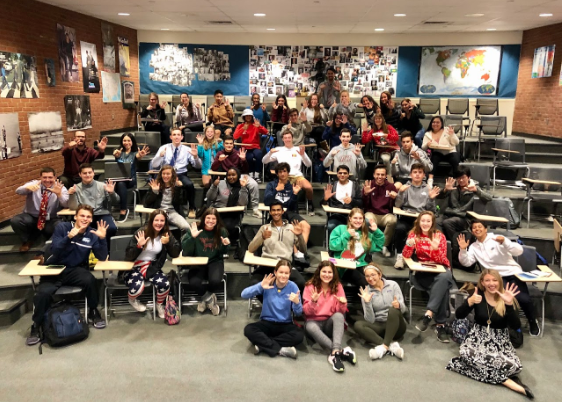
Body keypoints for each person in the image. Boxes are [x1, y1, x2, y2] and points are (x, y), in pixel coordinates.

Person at [26, 205, 107, 346]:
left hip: (74, 270)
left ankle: (93, 311)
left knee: (90, 280)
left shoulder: (92, 233)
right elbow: (56, 249)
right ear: (75, 216)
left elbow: (101, 256)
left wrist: (102, 239)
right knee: (42, 294)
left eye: (88, 217)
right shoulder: (62, 228)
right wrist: (70, 236)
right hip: (54, 269)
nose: (85, 219)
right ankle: (36, 324)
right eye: (82, 215)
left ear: (91, 219)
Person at [446, 270, 534, 399]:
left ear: (499, 282)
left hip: (500, 341)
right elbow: (459, 315)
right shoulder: (477, 296)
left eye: (494, 280)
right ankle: (508, 382)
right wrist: (469, 302)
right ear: (482, 282)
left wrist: (509, 305)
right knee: (466, 353)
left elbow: (516, 326)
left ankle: (480, 370)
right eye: (487, 280)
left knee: (513, 367)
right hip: (477, 338)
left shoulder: (506, 297)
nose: (491, 283)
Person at [458, 220, 540, 336]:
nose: (477, 229)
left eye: (480, 227)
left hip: (512, 273)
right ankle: (499, 324)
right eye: (474, 228)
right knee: (487, 298)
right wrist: (462, 250)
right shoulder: (474, 246)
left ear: (486, 229)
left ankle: (532, 321)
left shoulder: (497, 239)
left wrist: (505, 242)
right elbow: (466, 262)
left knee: (523, 298)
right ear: (472, 231)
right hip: (494, 278)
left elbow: (519, 251)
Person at [402, 211, 454, 342]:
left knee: (444, 276)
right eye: (423, 221)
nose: (425, 223)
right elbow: (406, 256)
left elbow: (443, 261)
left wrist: (435, 249)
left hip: (439, 271)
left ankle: (428, 315)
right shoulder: (414, 235)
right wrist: (409, 245)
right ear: (419, 222)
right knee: (444, 287)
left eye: (428, 221)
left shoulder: (439, 236)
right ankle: (440, 325)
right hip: (422, 273)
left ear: (432, 223)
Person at [241, 259, 304, 359]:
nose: (283, 276)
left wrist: (297, 303)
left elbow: (298, 313)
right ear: (275, 272)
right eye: (281, 272)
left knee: (299, 335)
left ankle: (263, 345)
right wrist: (260, 286)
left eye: (286, 273)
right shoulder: (268, 283)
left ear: (290, 274)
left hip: (285, 324)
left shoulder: (293, 287)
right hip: (267, 322)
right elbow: (243, 294)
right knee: (248, 329)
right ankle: (280, 349)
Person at [124, 209, 181, 318]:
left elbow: (175, 253)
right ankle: (132, 300)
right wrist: (139, 246)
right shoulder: (141, 232)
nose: (159, 223)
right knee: (137, 287)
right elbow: (128, 256)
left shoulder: (166, 234)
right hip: (134, 267)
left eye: (162, 221)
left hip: (152, 267)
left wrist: (168, 243)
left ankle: (159, 304)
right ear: (151, 221)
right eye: (156, 220)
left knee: (165, 284)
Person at [303, 261, 356, 372]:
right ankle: (339, 351)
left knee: (339, 316)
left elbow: (340, 312)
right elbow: (306, 312)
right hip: (314, 322)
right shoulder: (310, 286)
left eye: (330, 272)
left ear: (334, 274)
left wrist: (342, 304)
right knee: (310, 326)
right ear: (319, 272)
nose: (327, 275)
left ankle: (334, 352)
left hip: (328, 324)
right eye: (324, 272)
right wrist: (313, 301)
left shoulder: (338, 286)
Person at [437, 167, 492, 269]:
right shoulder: (453, 187)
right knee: (436, 222)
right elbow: (438, 196)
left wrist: (476, 190)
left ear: (469, 177)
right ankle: (441, 248)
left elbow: (489, 198)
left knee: (448, 223)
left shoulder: (474, 188)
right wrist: (445, 189)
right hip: (448, 215)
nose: (461, 180)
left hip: (464, 219)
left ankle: (454, 248)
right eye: (458, 178)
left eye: (463, 177)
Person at [181, 208, 230, 316]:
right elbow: (186, 251)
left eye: (213, 218)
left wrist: (226, 245)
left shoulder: (221, 231)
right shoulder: (195, 229)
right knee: (194, 282)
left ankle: (204, 300)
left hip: (215, 261)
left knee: (215, 280)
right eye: (208, 218)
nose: (211, 221)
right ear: (204, 219)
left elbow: (224, 252)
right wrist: (192, 238)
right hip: (197, 262)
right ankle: (209, 300)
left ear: (217, 220)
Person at [248, 201, 307, 290]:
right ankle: (268, 303)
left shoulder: (291, 228)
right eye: (273, 210)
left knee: (301, 283)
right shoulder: (264, 228)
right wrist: (262, 237)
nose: (276, 213)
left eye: (278, 210)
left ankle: (287, 303)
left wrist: (299, 236)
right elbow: (251, 249)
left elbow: (303, 251)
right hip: (267, 266)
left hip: (285, 266)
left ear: (283, 211)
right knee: (254, 283)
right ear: (270, 212)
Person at [354, 264, 407, 360]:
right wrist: (367, 302)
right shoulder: (366, 292)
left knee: (393, 310)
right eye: (367, 276)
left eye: (373, 275)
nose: (370, 278)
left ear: (380, 274)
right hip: (380, 326)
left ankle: (384, 347)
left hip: (397, 326)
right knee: (358, 325)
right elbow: (370, 320)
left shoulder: (393, 285)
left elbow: (404, 310)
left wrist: (398, 306)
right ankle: (390, 346)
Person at [393, 163, 441, 269]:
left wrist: (431, 199)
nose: (417, 175)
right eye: (415, 172)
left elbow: (431, 210)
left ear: (424, 175)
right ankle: (400, 257)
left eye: (420, 172)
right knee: (400, 228)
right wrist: (400, 193)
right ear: (410, 174)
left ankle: (424, 257)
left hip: (422, 219)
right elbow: (397, 205)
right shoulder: (405, 187)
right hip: (406, 216)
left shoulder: (428, 188)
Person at [262, 163, 312, 264]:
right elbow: (267, 202)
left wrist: (294, 194)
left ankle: (301, 253)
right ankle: (294, 253)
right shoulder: (271, 185)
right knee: (288, 228)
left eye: (284, 171)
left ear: (288, 173)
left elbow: (291, 206)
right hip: (276, 213)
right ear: (277, 174)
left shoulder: (292, 186)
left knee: (306, 226)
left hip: (289, 211)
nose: (282, 174)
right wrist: (276, 190)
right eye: (280, 172)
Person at [11, 167, 68, 252]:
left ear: (55, 178)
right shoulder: (34, 184)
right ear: (40, 178)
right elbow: (18, 191)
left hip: (51, 219)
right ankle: (27, 241)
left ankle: (50, 246)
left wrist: (59, 194)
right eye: (44, 177)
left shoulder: (60, 187)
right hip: (32, 217)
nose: (47, 180)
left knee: (60, 225)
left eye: (50, 177)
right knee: (15, 220)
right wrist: (27, 188)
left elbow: (66, 204)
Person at [151, 128, 202, 219]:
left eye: (178, 135)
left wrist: (195, 157)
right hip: (165, 175)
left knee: (190, 185)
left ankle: (191, 208)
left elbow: (198, 166)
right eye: (174, 135)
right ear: (171, 137)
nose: (176, 137)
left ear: (182, 137)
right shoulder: (163, 148)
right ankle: (157, 207)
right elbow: (154, 165)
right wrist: (160, 156)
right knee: (156, 185)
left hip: (180, 174)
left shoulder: (187, 149)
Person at [329, 208, 385, 288]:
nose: (358, 221)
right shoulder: (340, 229)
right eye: (355, 218)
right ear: (350, 219)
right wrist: (346, 235)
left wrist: (376, 232)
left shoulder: (365, 234)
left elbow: (377, 246)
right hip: (344, 266)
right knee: (367, 283)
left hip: (361, 264)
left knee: (383, 281)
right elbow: (334, 246)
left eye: (360, 218)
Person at [262, 131, 315, 215]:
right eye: (285, 138)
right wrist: (270, 153)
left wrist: (303, 155)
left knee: (308, 187)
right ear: (282, 139)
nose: (287, 139)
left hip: (297, 176)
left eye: (289, 137)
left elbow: (309, 164)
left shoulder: (298, 149)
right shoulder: (278, 149)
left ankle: (310, 203)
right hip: (283, 176)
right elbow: (264, 161)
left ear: (292, 138)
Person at [68, 163, 118, 246]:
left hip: (101, 214)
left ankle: (106, 250)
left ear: (93, 173)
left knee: (111, 228)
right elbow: (73, 207)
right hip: (85, 215)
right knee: (78, 229)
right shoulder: (75, 188)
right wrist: (71, 195)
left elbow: (115, 202)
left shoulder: (103, 186)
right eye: (84, 173)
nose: (87, 175)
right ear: (80, 174)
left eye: (90, 172)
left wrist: (112, 193)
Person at [211, 135, 261, 218]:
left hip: (240, 175)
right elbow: (213, 168)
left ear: (233, 144)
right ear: (223, 144)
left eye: (231, 143)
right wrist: (219, 161)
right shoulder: (220, 154)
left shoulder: (238, 153)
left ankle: (255, 209)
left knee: (254, 184)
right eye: (227, 143)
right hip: (227, 176)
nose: (229, 145)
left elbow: (245, 170)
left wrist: (244, 160)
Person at [113, 132, 150, 222]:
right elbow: (115, 161)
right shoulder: (118, 152)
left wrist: (140, 155)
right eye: (124, 140)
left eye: (129, 140)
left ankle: (123, 210)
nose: (126, 142)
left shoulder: (135, 153)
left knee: (121, 184)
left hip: (131, 180)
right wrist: (115, 155)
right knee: (112, 183)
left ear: (132, 142)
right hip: (119, 179)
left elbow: (138, 157)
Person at [363, 165, 398, 258]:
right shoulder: (368, 185)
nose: (380, 177)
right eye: (377, 174)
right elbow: (364, 205)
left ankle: (384, 246)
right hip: (372, 212)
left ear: (386, 175)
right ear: (374, 175)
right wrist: (366, 194)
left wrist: (394, 199)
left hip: (385, 214)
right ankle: (369, 244)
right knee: (367, 218)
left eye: (382, 174)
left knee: (393, 220)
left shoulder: (391, 186)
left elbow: (395, 206)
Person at [206, 168, 249, 242]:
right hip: (218, 211)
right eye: (229, 175)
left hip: (233, 214)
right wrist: (214, 186)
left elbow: (243, 203)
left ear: (238, 175)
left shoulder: (242, 185)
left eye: (233, 175)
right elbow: (210, 197)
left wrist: (243, 188)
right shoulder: (221, 183)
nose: (231, 177)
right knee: (209, 223)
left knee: (227, 226)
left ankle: (224, 244)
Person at [144, 165, 190, 231]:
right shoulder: (156, 184)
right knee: (146, 228)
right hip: (158, 212)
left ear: (172, 175)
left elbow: (181, 202)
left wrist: (178, 188)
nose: (165, 176)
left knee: (186, 227)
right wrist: (154, 191)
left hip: (172, 212)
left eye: (168, 174)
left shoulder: (177, 186)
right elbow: (147, 202)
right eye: (164, 174)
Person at [322, 165, 362, 236]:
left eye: (345, 173)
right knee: (331, 226)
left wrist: (351, 201)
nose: (342, 175)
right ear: (337, 174)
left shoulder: (355, 185)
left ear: (348, 174)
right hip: (336, 215)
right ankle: (333, 246)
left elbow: (361, 202)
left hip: (352, 216)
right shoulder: (332, 185)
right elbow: (322, 204)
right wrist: (325, 198)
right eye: (340, 173)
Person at [422, 116, 460, 188]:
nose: (435, 124)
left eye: (437, 122)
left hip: (450, 151)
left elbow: (456, 142)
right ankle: (430, 180)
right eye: (433, 122)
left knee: (455, 159)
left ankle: (456, 180)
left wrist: (452, 134)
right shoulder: (428, 133)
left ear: (441, 123)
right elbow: (423, 147)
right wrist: (427, 144)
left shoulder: (447, 130)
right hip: (438, 152)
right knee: (434, 159)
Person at [233, 109, 268, 183]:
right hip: (245, 147)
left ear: (252, 117)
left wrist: (260, 127)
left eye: (250, 116)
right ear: (244, 117)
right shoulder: (240, 126)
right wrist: (243, 129)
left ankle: (257, 174)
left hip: (255, 146)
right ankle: (251, 174)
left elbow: (266, 132)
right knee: (249, 157)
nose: (248, 117)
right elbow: (235, 136)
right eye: (247, 116)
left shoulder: (255, 125)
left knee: (258, 155)